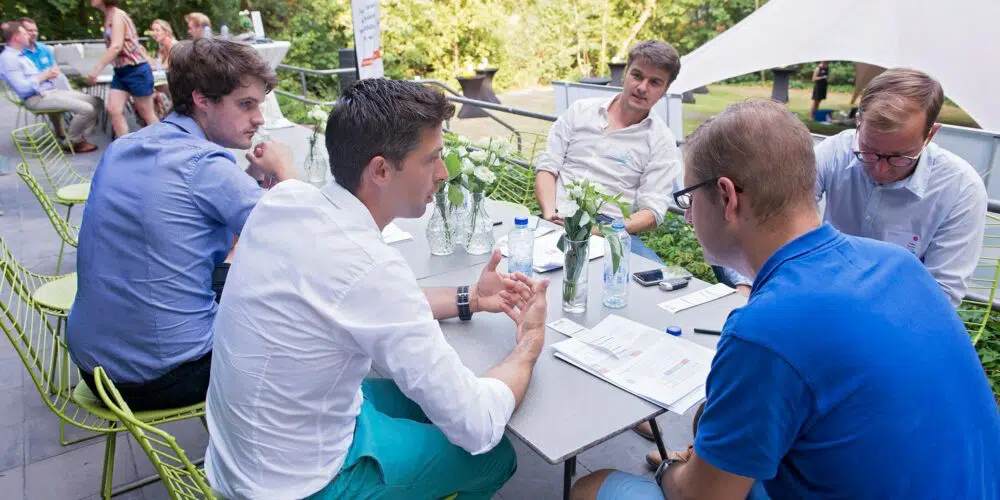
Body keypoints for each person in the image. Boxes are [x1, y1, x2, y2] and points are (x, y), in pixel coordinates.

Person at [571, 99, 1000, 500]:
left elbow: (702, 497)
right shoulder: (899, 264)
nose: (688, 214)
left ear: (727, 197)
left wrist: (671, 470)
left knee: (593, 486)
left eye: (689, 199)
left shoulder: (765, 332)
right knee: (710, 420)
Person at [205, 78, 551, 499]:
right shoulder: (370, 265)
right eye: (432, 159)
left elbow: (358, 300)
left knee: (426, 402)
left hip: (241, 457)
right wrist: (529, 344)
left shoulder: (285, 200)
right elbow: (477, 424)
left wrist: (473, 299)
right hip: (296, 486)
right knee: (495, 454)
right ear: (381, 170)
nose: (443, 173)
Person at [67, 38, 295, 412]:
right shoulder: (205, 165)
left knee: (241, 276)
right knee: (297, 315)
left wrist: (251, 179)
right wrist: (285, 169)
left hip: (95, 364)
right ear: (202, 99)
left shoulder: (126, 146)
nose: (259, 118)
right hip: (162, 376)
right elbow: (303, 235)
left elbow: (192, 216)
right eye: (246, 104)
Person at [716, 68, 988, 307]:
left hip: (895, 313)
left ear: (931, 134)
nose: (880, 169)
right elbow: (774, 218)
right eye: (868, 151)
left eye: (899, 157)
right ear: (859, 122)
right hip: (818, 297)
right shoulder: (835, 151)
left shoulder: (960, 189)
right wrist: (747, 284)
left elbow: (941, 294)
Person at [535, 40, 682, 263]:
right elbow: (548, 167)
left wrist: (596, 230)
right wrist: (549, 215)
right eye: (637, 75)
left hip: (610, 228)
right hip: (559, 215)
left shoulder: (661, 140)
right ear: (625, 74)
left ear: (665, 90)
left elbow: (652, 212)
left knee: (657, 275)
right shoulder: (580, 111)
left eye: (654, 82)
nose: (642, 87)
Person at [0, 21, 101, 153]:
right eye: (25, 33)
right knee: (87, 109)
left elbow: (34, 77)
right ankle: (72, 142)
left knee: (96, 101)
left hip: (50, 91)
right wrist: (44, 75)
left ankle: (77, 139)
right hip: (36, 98)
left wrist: (48, 75)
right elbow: (23, 89)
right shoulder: (9, 59)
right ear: (16, 37)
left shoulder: (21, 55)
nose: (29, 36)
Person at [87, 0, 158, 138]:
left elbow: (116, 46)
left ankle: (163, 145)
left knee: (147, 114)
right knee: (114, 109)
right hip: (121, 71)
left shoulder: (118, 15)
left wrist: (96, 69)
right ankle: (124, 146)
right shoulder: (108, 16)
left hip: (136, 70)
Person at [148, 19, 176, 117]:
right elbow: (156, 65)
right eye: (153, 30)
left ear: (166, 32)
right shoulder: (162, 49)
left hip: (180, 82)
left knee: (153, 82)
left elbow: (164, 66)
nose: (154, 33)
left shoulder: (173, 45)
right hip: (170, 81)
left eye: (157, 30)